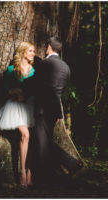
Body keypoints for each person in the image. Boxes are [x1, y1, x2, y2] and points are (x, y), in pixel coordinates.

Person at [24, 37, 82, 184]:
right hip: (54, 109)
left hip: (42, 107)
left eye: (45, 46)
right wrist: (58, 112)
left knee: (42, 143)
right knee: (44, 141)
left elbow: (34, 83)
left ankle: (57, 172)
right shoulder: (66, 67)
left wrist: (22, 82)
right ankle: (66, 166)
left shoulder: (45, 64)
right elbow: (60, 90)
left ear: (49, 47)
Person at [0, 42, 36, 187]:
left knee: (32, 139)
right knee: (25, 135)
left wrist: (25, 93)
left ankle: (29, 171)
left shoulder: (34, 70)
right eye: (30, 51)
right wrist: (14, 90)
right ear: (22, 52)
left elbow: (35, 89)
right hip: (14, 107)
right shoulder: (11, 70)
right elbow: (4, 89)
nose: (33, 53)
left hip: (29, 107)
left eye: (34, 51)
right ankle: (22, 172)